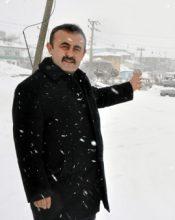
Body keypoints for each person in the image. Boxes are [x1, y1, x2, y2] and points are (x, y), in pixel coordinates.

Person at [12, 23, 142, 220]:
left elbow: (97, 97)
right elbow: (27, 146)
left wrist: (128, 88)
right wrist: (37, 189)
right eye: (65, 46)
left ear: (83, 53)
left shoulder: (79, 81)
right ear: (50, 48)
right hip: (55, 195)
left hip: (87, 189)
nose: (70, 54)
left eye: (76, 48)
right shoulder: (31, 89)